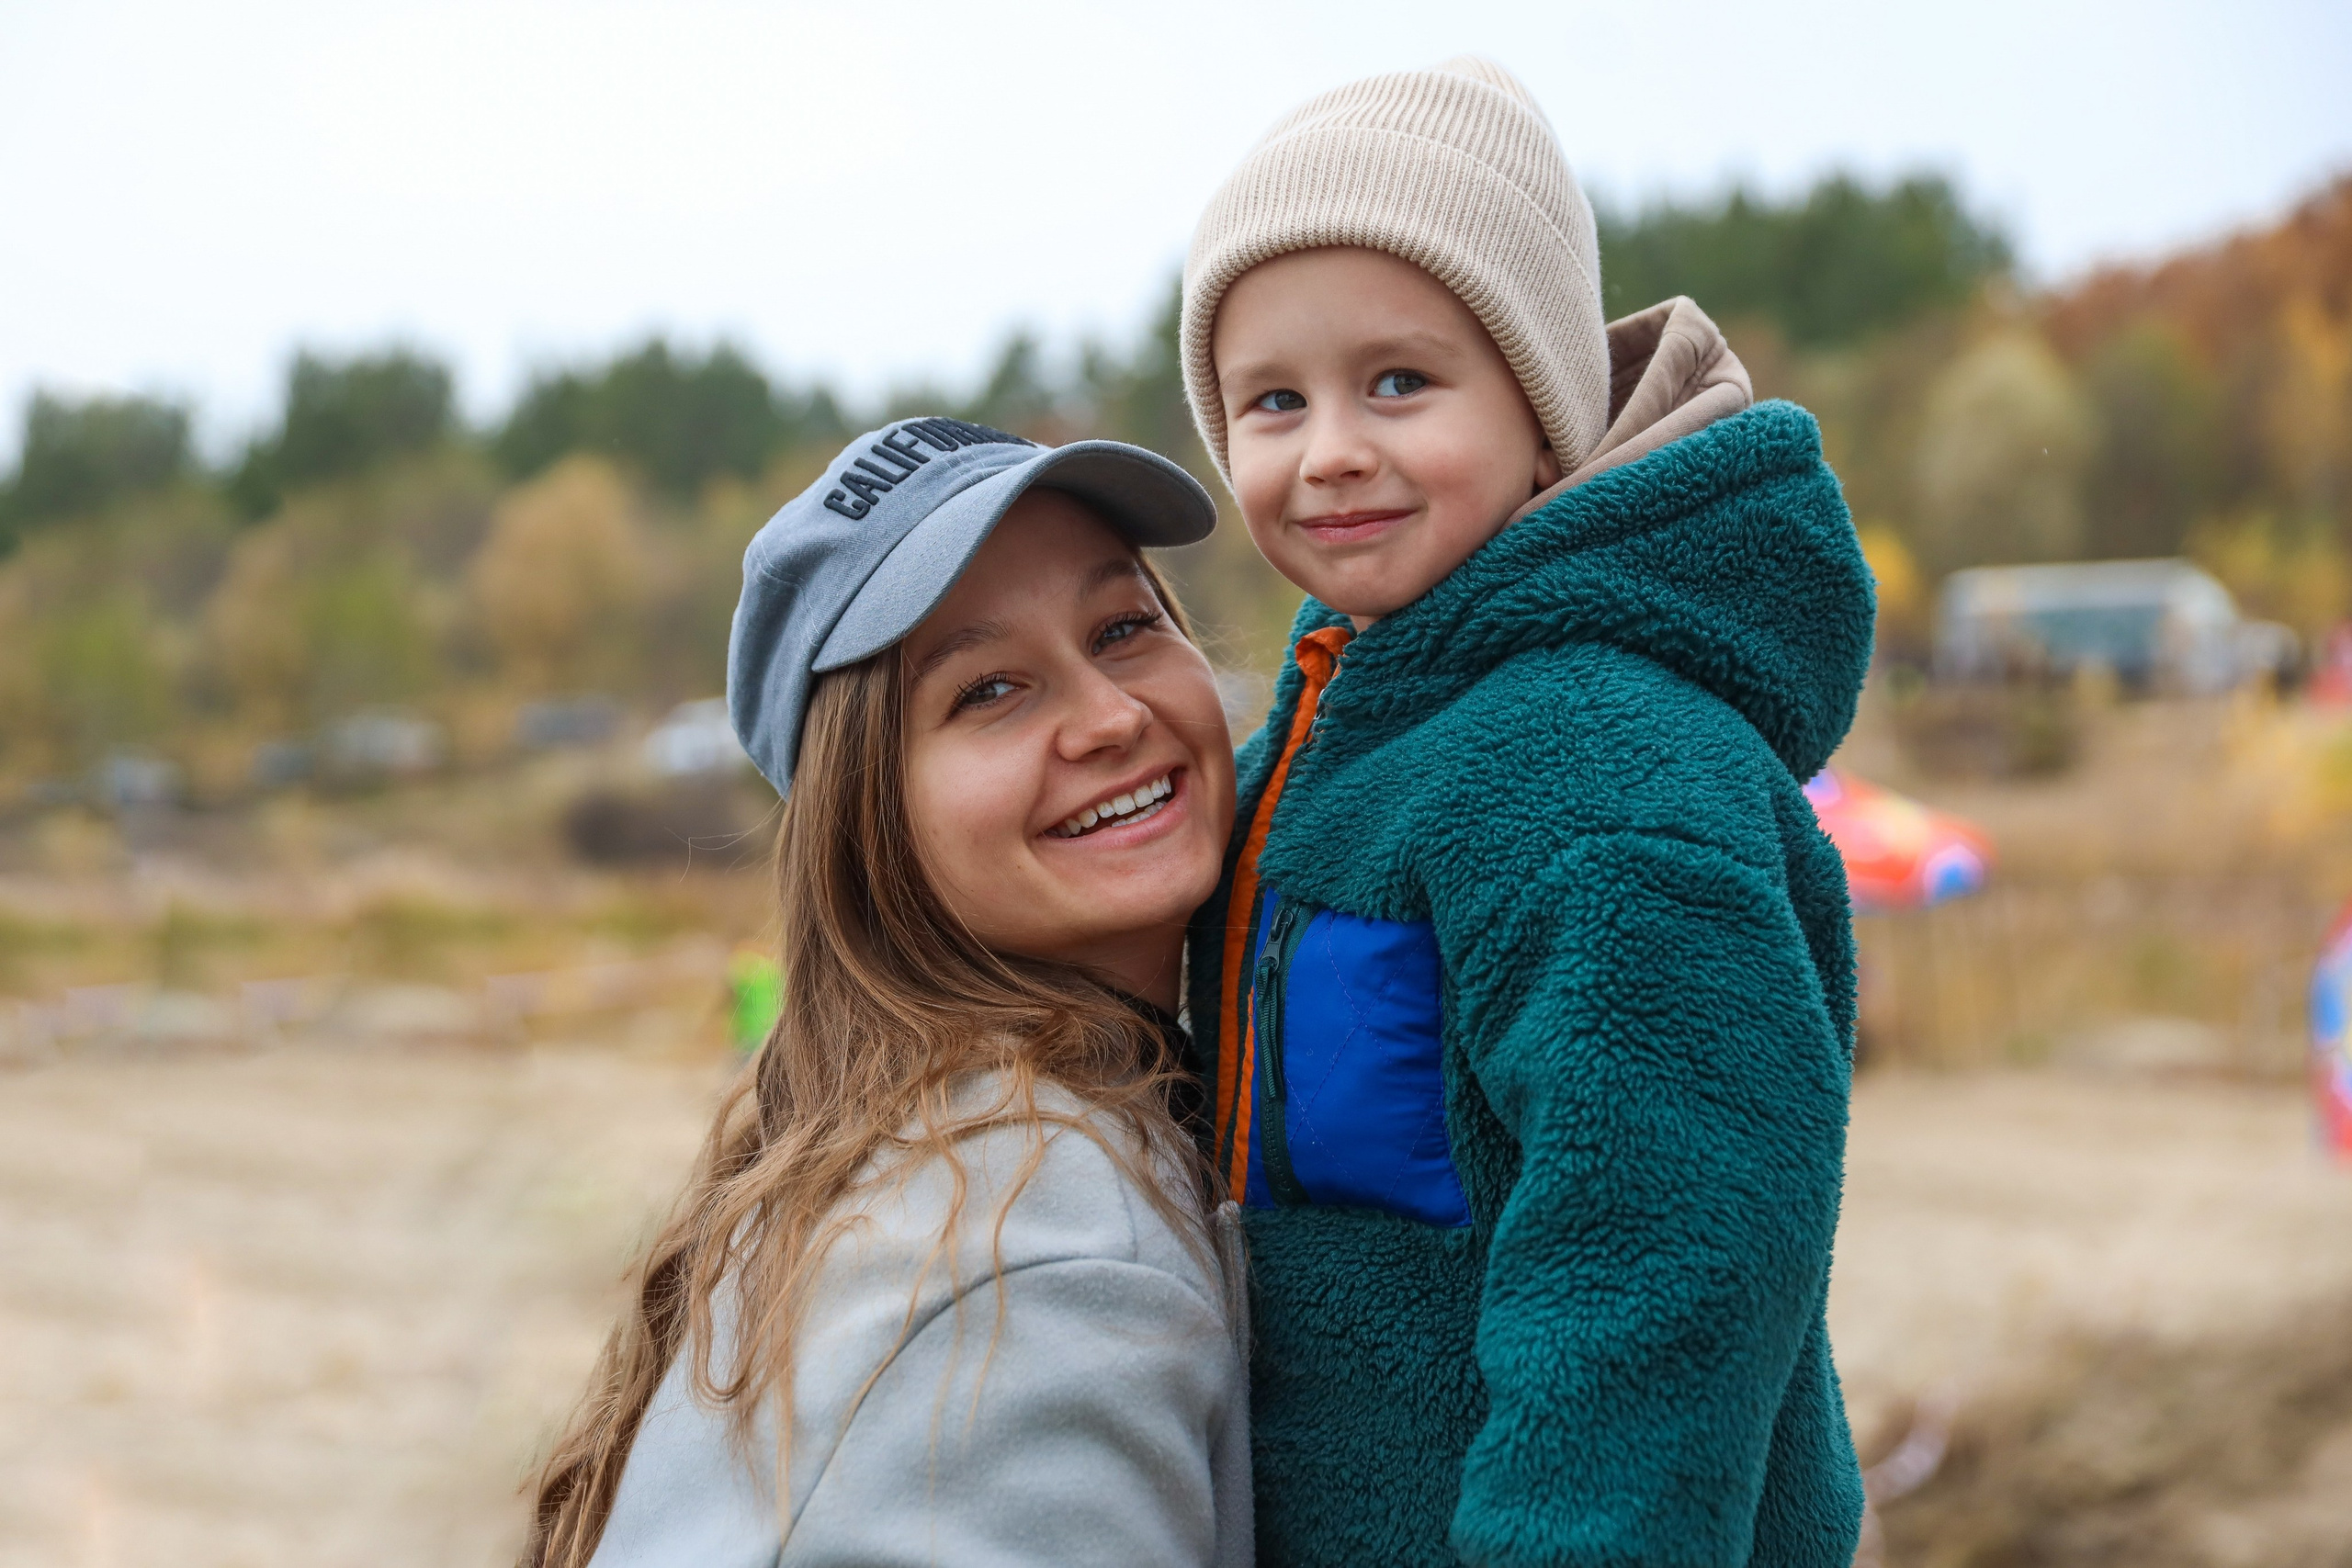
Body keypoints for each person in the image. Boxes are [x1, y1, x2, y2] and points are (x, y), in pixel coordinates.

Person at [1177, 58, 1877, 1565]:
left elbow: (1670, 1267)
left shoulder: (1602, 770)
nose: (1331, 450)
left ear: (1546, 410)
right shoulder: (1345, 720)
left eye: (1400, 382)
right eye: (1272, 400)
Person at [527, 416, 1252, 1567]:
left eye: (1122, 627)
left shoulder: (917, 1148)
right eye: (990, 690)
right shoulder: (1040, 1232)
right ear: (869, 825)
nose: (1111, 716)